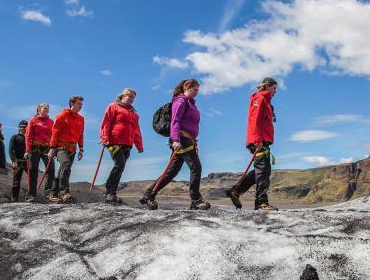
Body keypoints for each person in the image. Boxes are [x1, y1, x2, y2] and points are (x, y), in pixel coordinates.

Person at [141, 79, 210, 210]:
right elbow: (175, 121)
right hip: (181, 140)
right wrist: (175, 140)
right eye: (195, 90)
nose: (196, 93)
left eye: (197, 91)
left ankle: (149, 194)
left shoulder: (190, 103)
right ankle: (196, 200)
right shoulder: (181, 101)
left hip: (188, 140)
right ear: (187, 87)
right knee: (196, 167)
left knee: (171, 172)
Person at [226, 77, 278, 211]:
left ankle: (236, 191)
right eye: (274, 88)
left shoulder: (266, 101)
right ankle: (261, 203)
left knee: (261, 171)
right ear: (267, 87)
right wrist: (257, 140)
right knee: (263, 171)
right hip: (258, 141)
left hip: (262, 140)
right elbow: (254, 120)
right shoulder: (259, 99)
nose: (275, 91)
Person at [100, 88, 144, 205]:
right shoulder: (113, 106)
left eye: (133, 97)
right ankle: (109, 191)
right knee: (120, 164)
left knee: (121, 167)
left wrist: (139, 145)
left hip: (127, 144)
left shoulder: (134, 114)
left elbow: (136, 130)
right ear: (122, 96)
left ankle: (113, 193)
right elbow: (106, 123)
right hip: (113, 142)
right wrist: (104, 138)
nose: (131, 99)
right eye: (129, 96)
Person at [48, 95, 85, 203]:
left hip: (73, 148)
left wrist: (81, 149)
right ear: (72, 104)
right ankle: (65, 192)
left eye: (81, 105)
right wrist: (52, 148)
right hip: (60, 147)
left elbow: (81, 134)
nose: (80, 106)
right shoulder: (61, 116)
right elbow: (55, 132)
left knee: (63, 170)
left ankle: (54, 194)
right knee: (66, 165)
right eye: (79, 104)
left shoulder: (81, 119)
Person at [25, 103, 55, 203]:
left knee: (51, 170)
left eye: (48, 109)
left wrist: (53, 149)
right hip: (34, 148)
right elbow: (28, 136)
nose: (46, 110)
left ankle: (48, 194)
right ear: (39, 109)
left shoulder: (51, 122)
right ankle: (31, 195)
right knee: (33, 170)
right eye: (44, 108)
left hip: (47, 148)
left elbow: (53, 136)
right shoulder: (33, 121)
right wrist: (27, 149)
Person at [9, 120, 28, 202]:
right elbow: (10, 150)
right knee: (16, 181)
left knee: (32, 179)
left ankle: (30, 197)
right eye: (20, 127)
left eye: (24, 127)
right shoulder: (15, 137)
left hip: (28, 161)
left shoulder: (29, 138)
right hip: (18, 161)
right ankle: (14, 199)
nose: (22, 128)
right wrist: (13, 161)